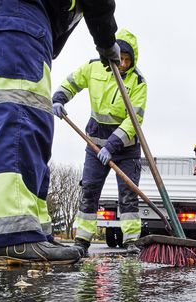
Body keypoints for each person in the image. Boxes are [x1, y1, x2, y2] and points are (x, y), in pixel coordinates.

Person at [0, 0, 120, 266]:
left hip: (23, 16)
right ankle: (12, 235)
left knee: (35, 120)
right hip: (16, 10)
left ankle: (34, 230)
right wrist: (106, 41)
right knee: (21, 112)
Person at [52, 29, 146, 257]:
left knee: (128, 196)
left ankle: (132, 241)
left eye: (127, 59)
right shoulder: (93, 67)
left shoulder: (138, 82)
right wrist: (59, 98)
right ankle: (82, 241)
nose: (123, 63)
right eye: (120, 57)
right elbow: (73, 82)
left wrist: (111, 146)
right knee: (90, 191)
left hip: (125, 149)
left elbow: (134, 121)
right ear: (112, 53)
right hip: (94, 145)